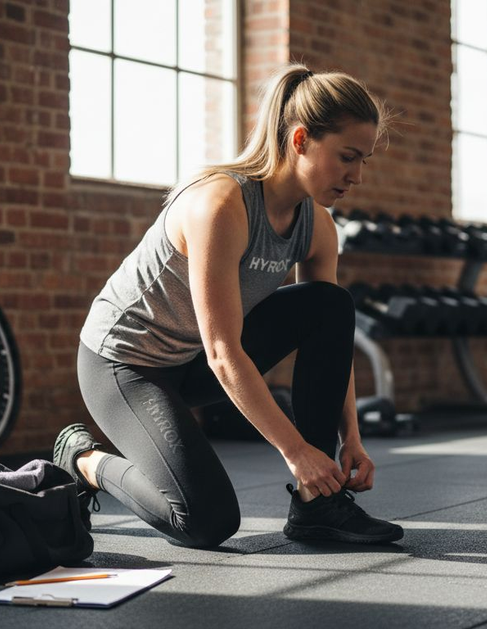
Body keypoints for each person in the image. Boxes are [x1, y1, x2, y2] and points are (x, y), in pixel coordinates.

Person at [54, 63, 403, 548]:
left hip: (193, 360)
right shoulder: (221, 205)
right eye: (348, 157)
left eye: (364, 160)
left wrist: (352, 438)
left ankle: (317, 504)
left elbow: (333, 338)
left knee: (331, 304)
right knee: (205, 520)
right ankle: (84, 460)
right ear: (300, 140)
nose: (358, 176)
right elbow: (223, 350)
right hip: (125, 364)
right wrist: (295, 450)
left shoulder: (318, 226)